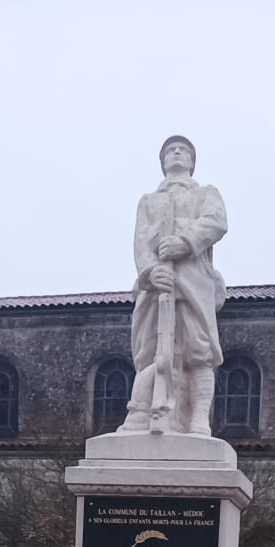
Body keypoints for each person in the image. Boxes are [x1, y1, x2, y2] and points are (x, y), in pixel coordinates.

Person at [117, 135, 228, 435]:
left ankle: (198, 417)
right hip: (157, 285)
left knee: (199, 349)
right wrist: (149, 272)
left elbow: (216, 222)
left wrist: (185, 242)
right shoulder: (148, 201)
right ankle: (147, 411)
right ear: (163, 161)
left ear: (192, 162)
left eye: (183, 150)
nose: (177, 153)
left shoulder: (206, 193)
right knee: (151, 350)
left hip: (194, 280)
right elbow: (140, 242)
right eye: (170, 150)